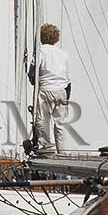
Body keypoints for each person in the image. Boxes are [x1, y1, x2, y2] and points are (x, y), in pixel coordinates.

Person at [29, 23, 72, 154]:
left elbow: (33, 71)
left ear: (41, 37)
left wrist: (33, 80)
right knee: (60, 124)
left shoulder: (40, 51)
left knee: (42, 120)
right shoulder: (64, 54)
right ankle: (63, 152)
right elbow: (68, 77)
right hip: (62, 90)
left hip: (46, 89)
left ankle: (47, 147)